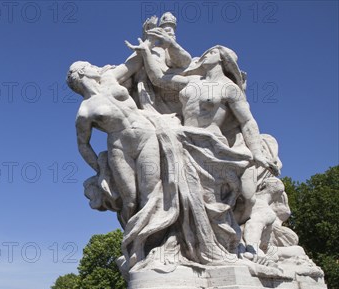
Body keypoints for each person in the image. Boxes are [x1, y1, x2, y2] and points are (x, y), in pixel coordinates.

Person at [122, 37, 280, 266]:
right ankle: (186, 245)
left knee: (223, 200)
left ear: (223, 59)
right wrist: (146, 50)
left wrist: (257, 152)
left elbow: (247, 122)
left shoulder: (228, 88)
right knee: (185, 196)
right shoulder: (191, 83)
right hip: (184, 140)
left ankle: (229, 244)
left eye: (212, 51)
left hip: (212, 146)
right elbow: (159, 79)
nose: (206, 53)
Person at [67, 60, 161, 227]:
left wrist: (148, 43)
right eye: (90, 65)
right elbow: (83, 145)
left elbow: (133, 64)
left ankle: (153, 242)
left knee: (150, 192)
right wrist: (100, 168)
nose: (95, 67)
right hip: (120, 148)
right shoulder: (84, 111)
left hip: (146, 135)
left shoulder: (110, 78)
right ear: (82, 73)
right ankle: (132, 243)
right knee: (130, 200)